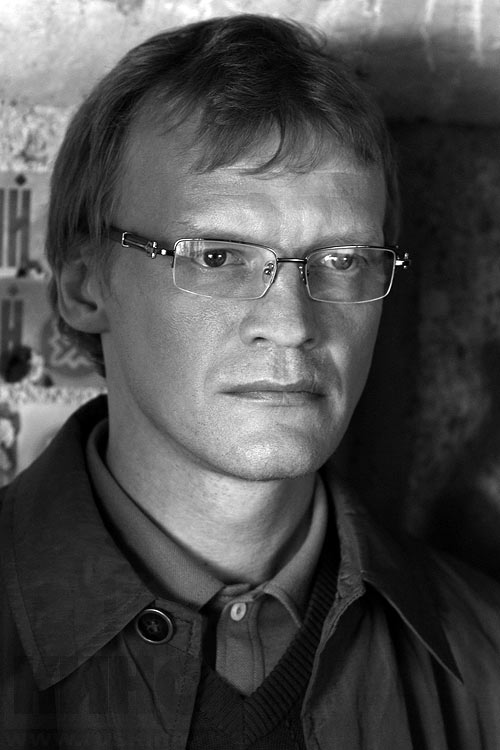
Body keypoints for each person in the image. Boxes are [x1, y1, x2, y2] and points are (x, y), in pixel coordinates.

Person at [1, 13, 500, 750]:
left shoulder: (485, 663)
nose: (292, 323)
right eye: (217, 257)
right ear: (83, 286)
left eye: (341, 261)